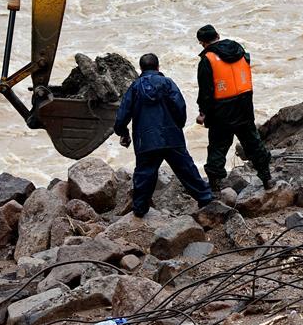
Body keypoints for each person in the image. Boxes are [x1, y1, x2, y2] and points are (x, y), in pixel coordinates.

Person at [114, 53, 213, 217]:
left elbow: (122, 114)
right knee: (186, 169)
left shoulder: (135, 87)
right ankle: (205, 197)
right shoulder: (168, 83)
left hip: (146, 139)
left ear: (141, 68)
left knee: (144, 175)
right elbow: (180, 107)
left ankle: (139, 210)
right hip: (171, 136)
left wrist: (122, 132)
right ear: (158, 67)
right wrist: (177, 126)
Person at [195, 25, 272, 191]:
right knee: (253, 143)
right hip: (244, 106)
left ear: (202, 43)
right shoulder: (240, 50)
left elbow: (206, 92)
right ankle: (267, 178)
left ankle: (215, 186)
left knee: (217, 147)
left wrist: (203, 113)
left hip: (221, 111)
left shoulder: (207, 60)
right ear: (218, 35)